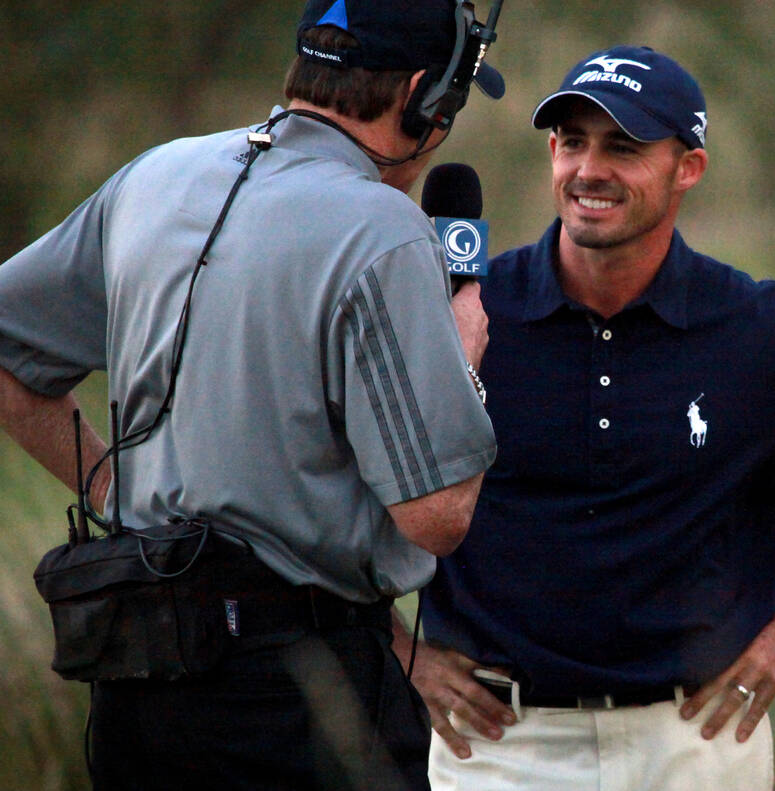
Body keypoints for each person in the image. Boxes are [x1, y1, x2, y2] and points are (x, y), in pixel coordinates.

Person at [399, 46, 775, 791]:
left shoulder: (761, 331)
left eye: (623, 147)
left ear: (688, 167)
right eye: (571, 142)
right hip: (496, 747)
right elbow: (312, 477)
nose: (589, 169)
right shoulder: (467, 312)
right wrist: (400, 649)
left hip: (697, 744)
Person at [0, 1, 502, 788]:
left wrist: (112, 486)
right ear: (419, 97)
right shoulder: (385, 228)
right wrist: (463, 354)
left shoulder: (155, 174)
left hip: (135, 686)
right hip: (297, 693)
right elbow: (437, 516)